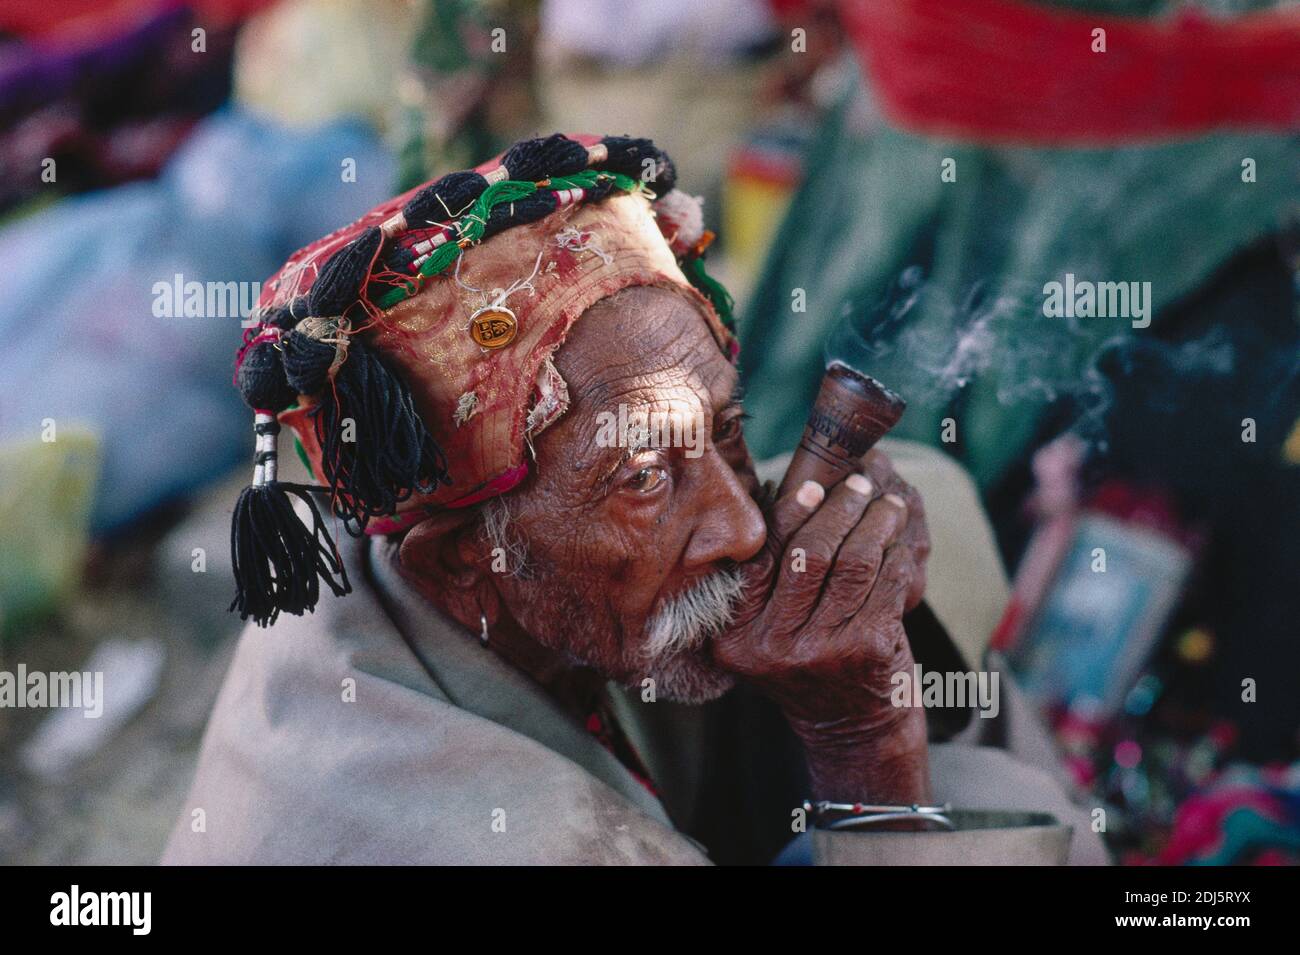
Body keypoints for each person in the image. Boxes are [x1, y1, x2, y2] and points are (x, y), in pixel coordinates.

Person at [163, 134, 1105, 865]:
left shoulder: (483, 591)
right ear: (463, 557)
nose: (741, 522)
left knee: (969, 759)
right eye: (644, 478)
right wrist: (860, 744)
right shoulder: (498, 839)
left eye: (726, 431)